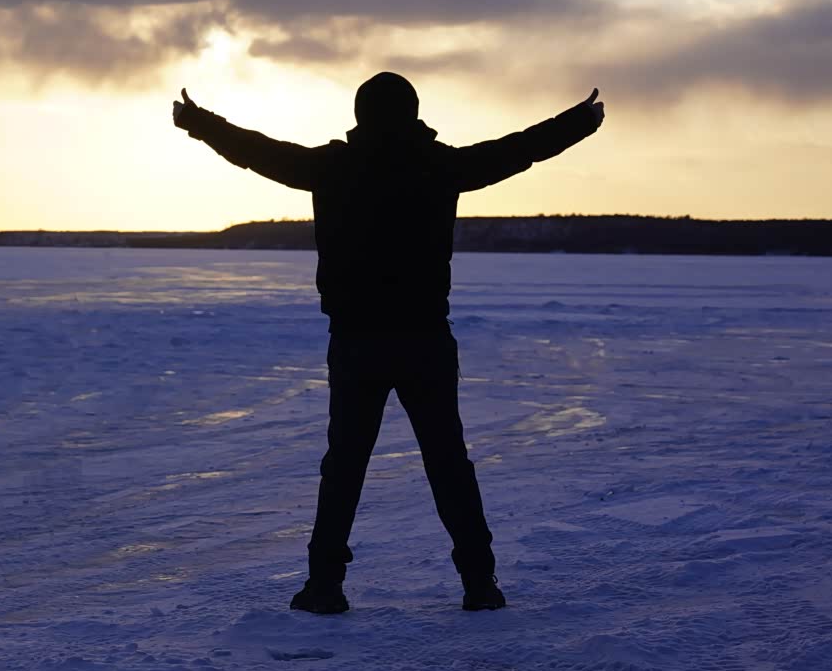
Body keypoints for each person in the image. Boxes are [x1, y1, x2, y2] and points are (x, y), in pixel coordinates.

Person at [171, 72, 604, 613]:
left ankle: (325, 585)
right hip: (424, 340)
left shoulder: (333, 166)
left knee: (345, 466)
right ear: (413, 113)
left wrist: (198, 121)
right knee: (448, 463)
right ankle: (479, 582)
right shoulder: (439, 165)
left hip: (358, 342)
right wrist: (580, 122)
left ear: (360, 115)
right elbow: (518, 150)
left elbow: (256, 151)